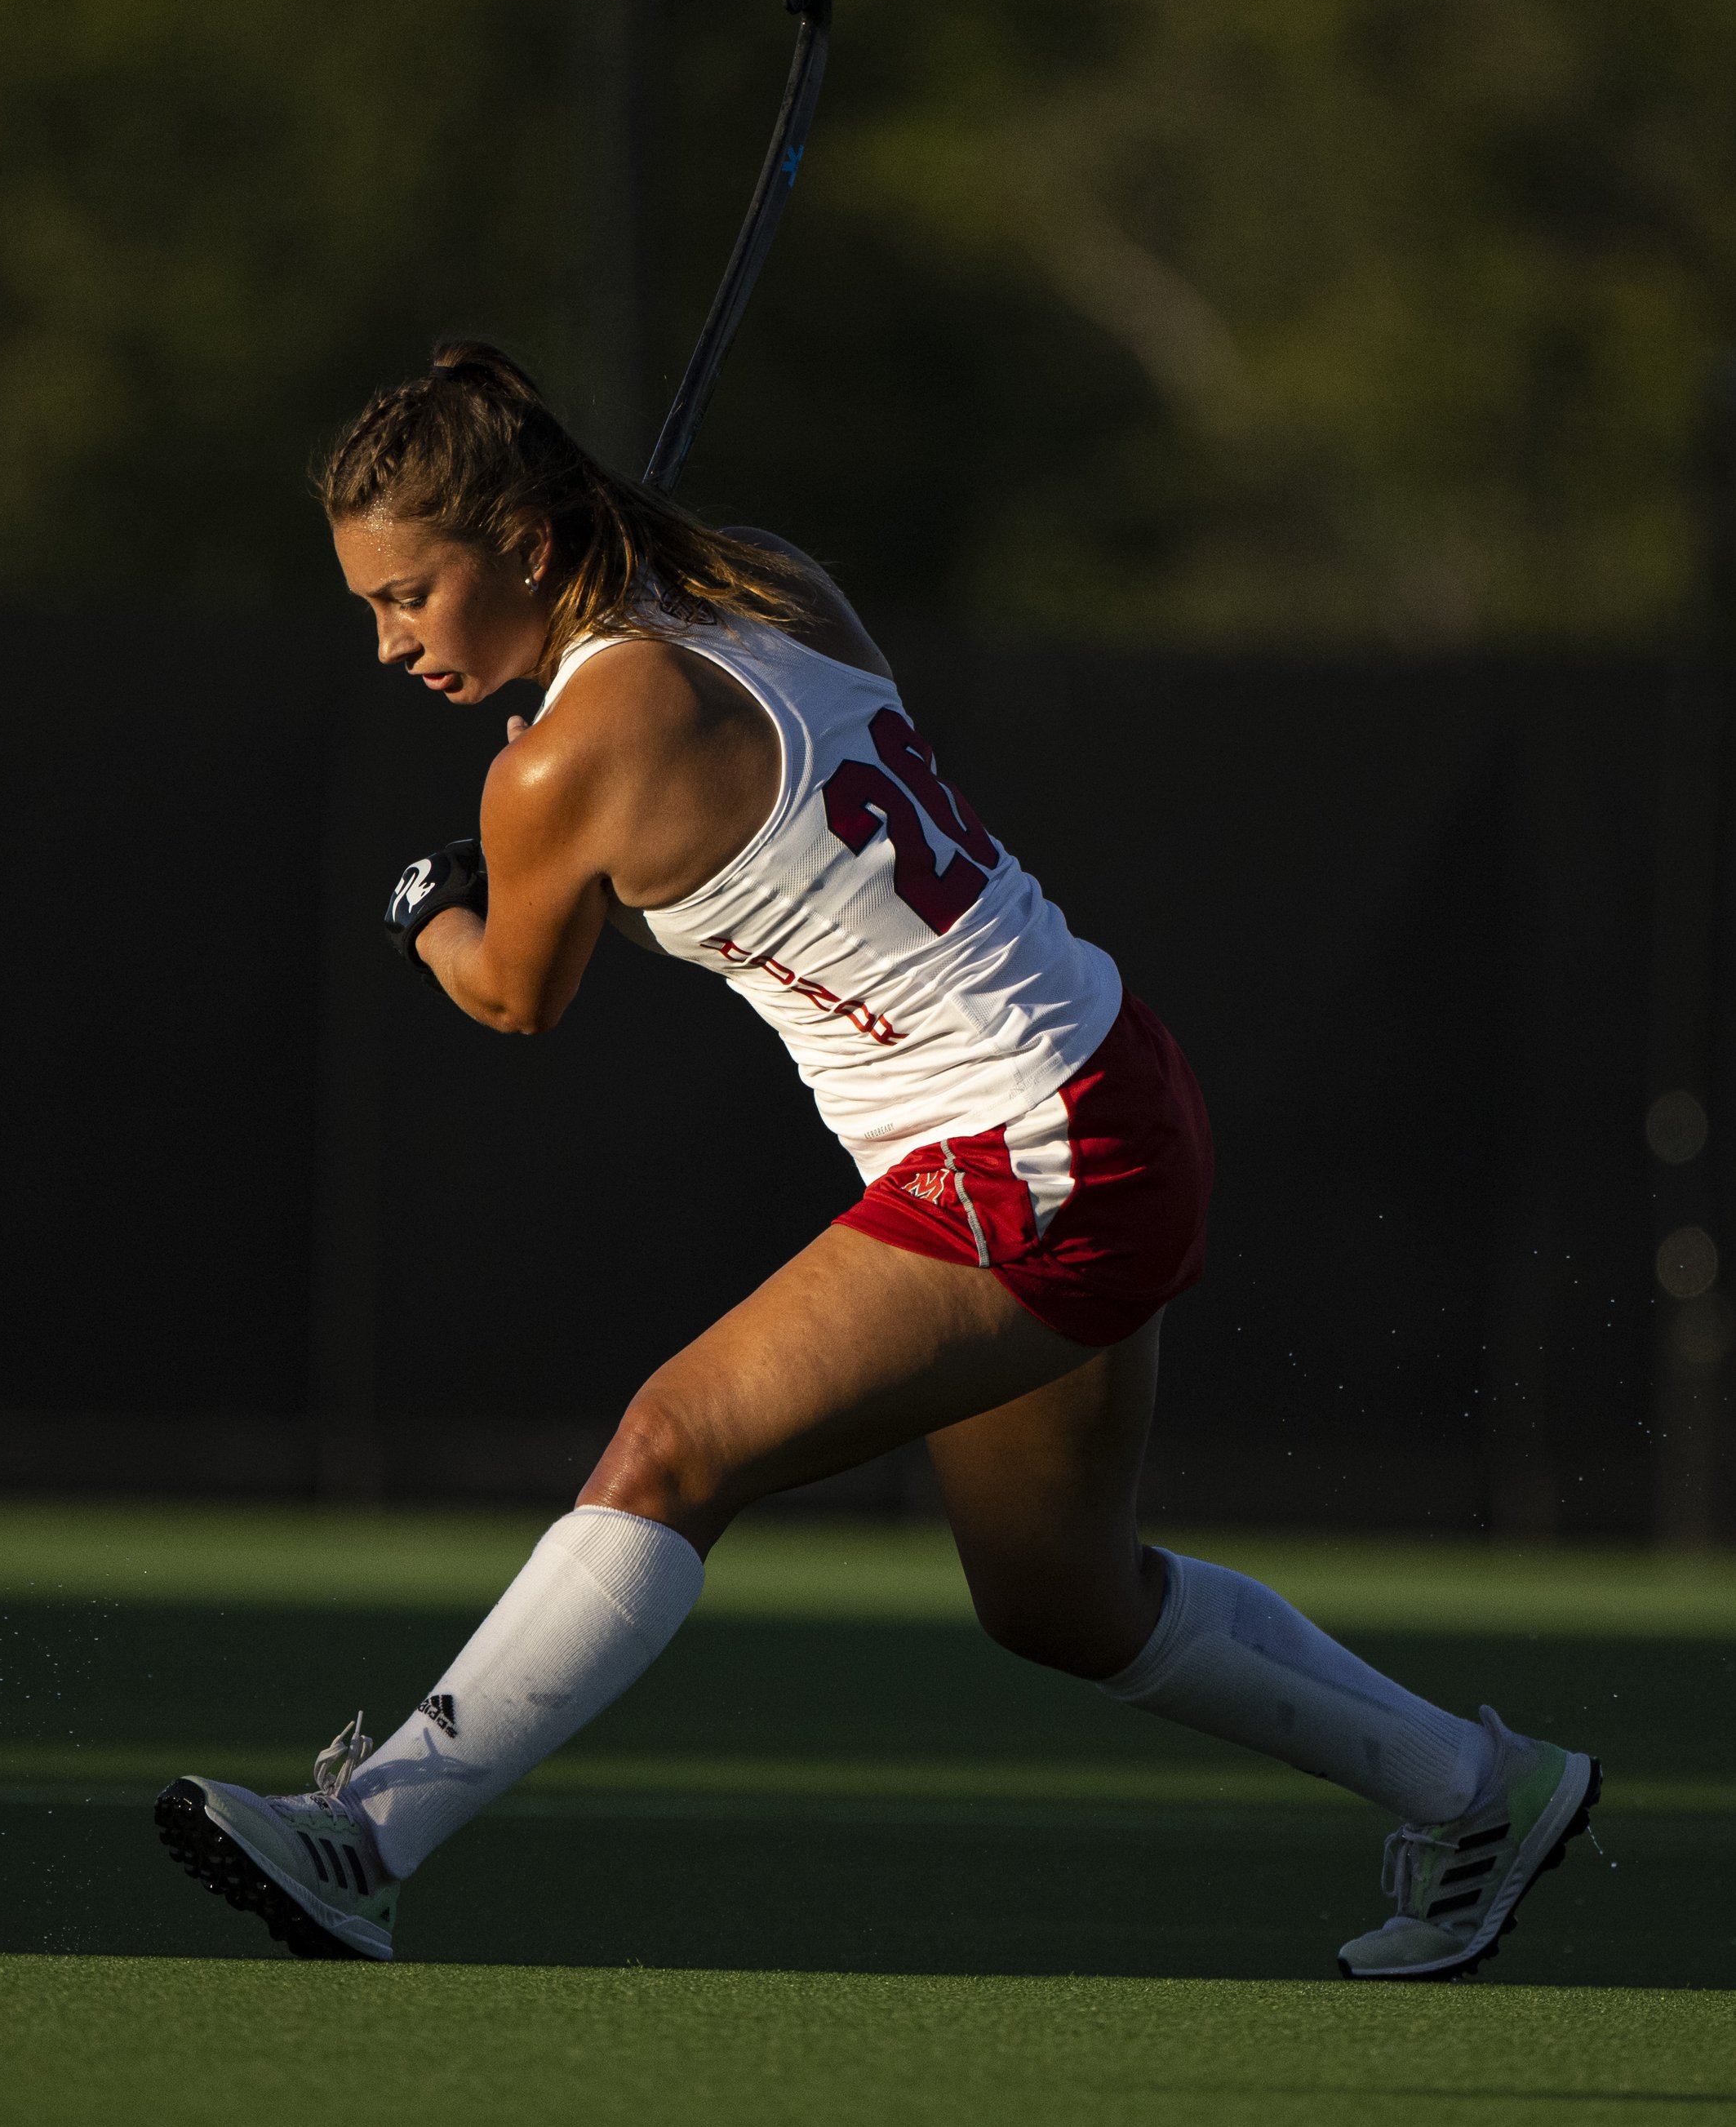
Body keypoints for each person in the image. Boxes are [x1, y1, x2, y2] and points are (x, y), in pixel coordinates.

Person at [155, 340, 1600, 1977]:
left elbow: (512, 995)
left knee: (667, 1450)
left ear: (534, 550)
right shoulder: (761, 579)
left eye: (410, 596)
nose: (388, 642)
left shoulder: (553, 762)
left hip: (1019, 1144)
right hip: (1108, 1082)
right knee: (1054, 1599)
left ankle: (368, 1838)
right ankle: (1475, 1788)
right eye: (370, 606)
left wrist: (430, 909)